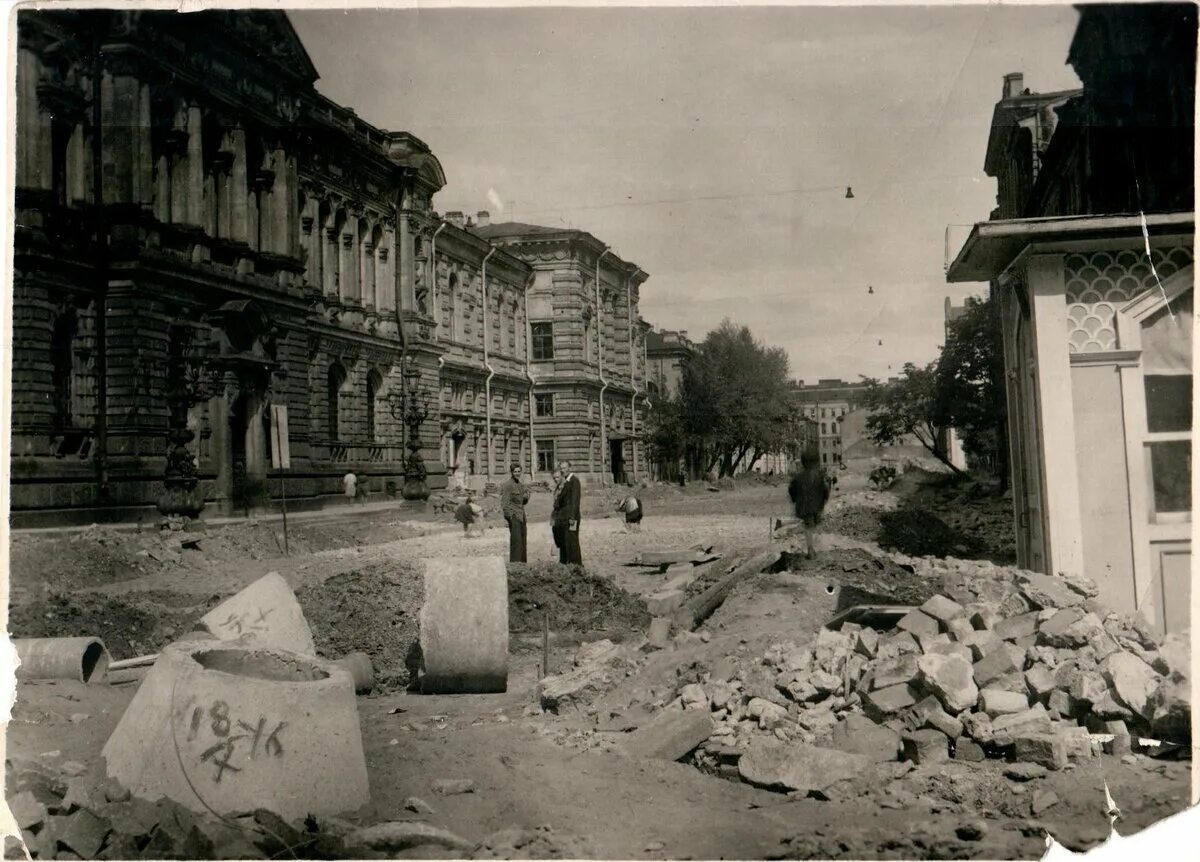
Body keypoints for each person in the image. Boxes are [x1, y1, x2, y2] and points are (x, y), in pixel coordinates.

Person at [788, 450, 830, 560]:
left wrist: (794, 499)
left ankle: (810, 549)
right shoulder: (819, 475)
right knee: (815, 525)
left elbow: (791, 489)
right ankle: (814, 548)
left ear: (802, 462)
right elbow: (825, 489)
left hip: (804, 506)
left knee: (808, 527)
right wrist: (825, 499)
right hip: (817, 505)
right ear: (816, 462)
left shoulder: (798, 476)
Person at [500, 462, 532, 563]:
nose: (517, 473)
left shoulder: (521, 485)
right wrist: (509, 518)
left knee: (523, 541)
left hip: (522, 516)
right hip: (514, 517)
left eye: (519, 471)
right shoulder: (507, 485)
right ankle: (515, 564)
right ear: (511, 472)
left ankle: (523, 564)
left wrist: (527, 495)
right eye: (515, 472)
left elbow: (523, 502)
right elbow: (505, 503)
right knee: (516, 542)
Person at [552, 460, 582, 566]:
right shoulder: (564, 482)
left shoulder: (574, 481)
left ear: (570, 468)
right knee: (565, 541)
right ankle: (565, 563)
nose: (563, 470)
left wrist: (573, 518)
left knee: (572, 540)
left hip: (572, 517)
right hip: (564, 518)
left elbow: (575, 501)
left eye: (565, 468)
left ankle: (576, 565)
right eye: (561, 468)